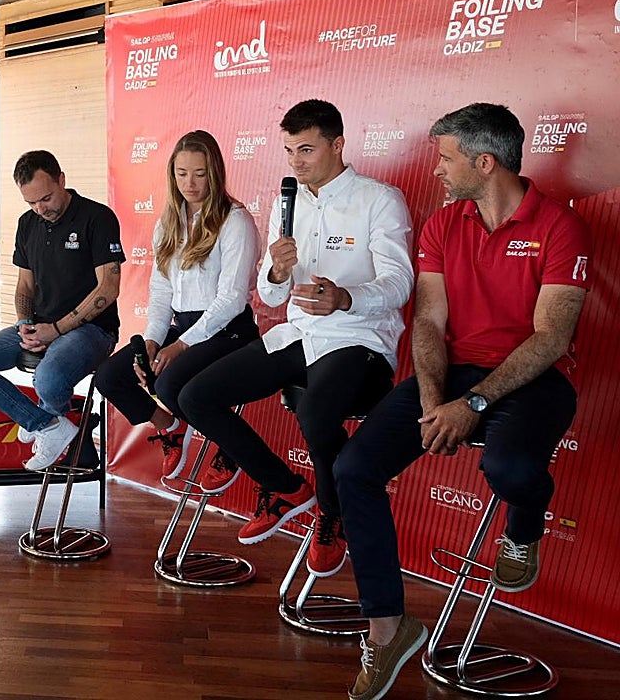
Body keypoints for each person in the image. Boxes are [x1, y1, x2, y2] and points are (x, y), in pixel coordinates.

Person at [333, 103, 592, 700]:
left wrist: (470, 406)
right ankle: (388, 629)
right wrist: (433, 400)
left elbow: (551, 338)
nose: (437, 171)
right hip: (451, 376)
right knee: (353, 467)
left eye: (446, 158)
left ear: (485, 161)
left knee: (511, 469)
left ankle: (524, 528)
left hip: (534, 378)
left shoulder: (559, 225)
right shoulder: (444, 223)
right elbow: (428, 320)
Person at [176, 99, 414, 577]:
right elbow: (269, 293)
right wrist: (277, 272)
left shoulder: (379, 199)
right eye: (289, 151)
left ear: (338, 145)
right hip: (299, 333)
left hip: (358, 338)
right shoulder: (289, 201)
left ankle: (333, 513)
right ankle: (284, 488)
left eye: (306, 149)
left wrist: (345, 298)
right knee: (195, 396)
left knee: (316, 411)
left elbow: (400, 283)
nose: (295, 162)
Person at [94, 130, 259, 487]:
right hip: (183, 328)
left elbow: (231, 299)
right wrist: (154, 341)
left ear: (215, 173)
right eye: (182, 173)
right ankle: (170, 427)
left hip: (229, 331)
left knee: (169, 384)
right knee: (110, 377)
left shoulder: (236, 221)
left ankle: (232, 448)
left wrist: (181, 346)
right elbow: (161, 291)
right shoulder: (168, 222)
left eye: (199, 174)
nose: (190, 183)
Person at [0, 150, 123, 471]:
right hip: (42, 326)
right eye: (31, 202)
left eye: (46, 198)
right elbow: (25, 286)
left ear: (61, 180)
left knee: (47, 378)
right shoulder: (28, 223)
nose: (41, 209)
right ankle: (46, 425)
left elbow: (108, 288)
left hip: (92, 331)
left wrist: (56, 330)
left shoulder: (97, 217)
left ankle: (52, 424)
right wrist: (25, 322)